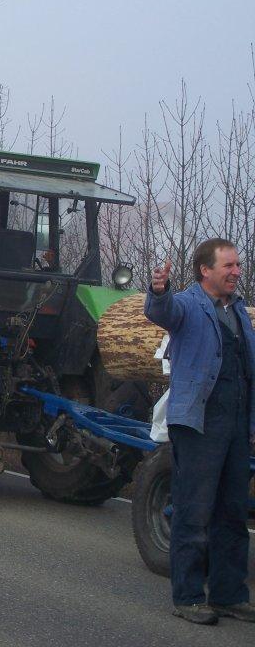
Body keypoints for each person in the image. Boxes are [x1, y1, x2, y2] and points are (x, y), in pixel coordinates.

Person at [145, 238, 255, 626]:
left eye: (238, 265)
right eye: (229, 266)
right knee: (194, 513)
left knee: (232, 513)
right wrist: (159, 290)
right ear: (205, 270)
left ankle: (229, 595)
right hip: (199, 424)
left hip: (237, 424)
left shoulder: (239, 311)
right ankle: (189, 596)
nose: (237, 272)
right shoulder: (189, 305)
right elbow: (163, 311)